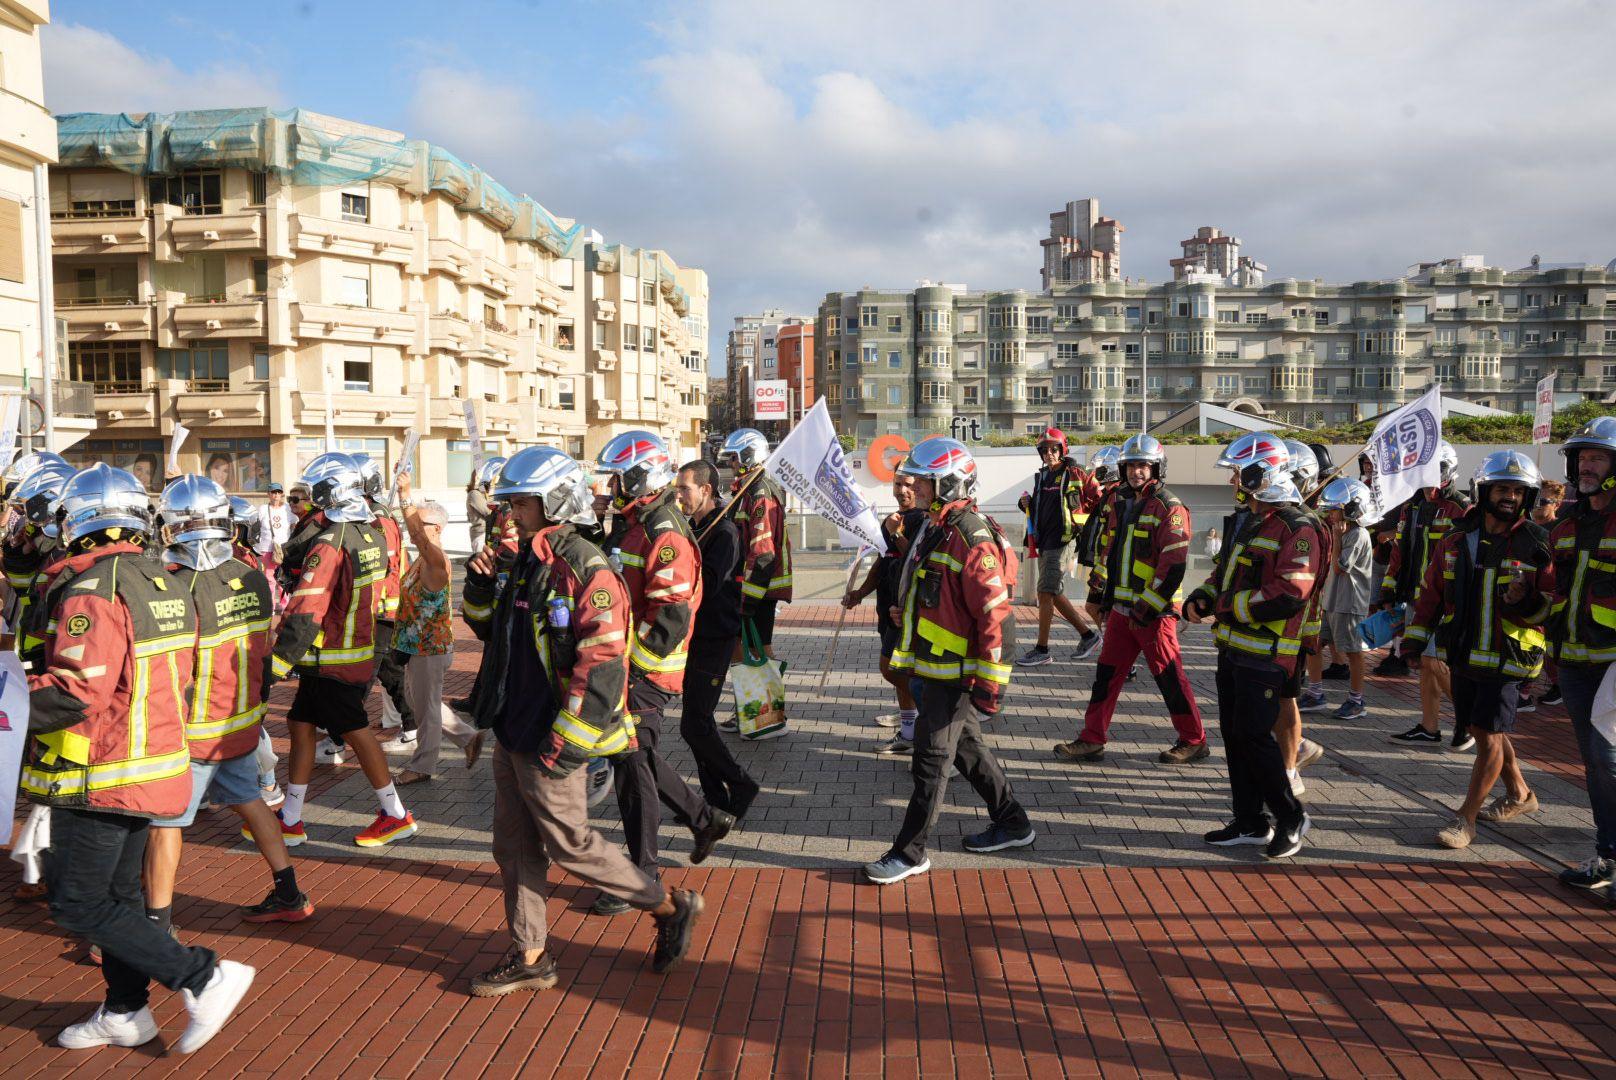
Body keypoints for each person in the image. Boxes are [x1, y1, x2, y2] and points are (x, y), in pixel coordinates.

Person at [23, 463, 254, 1052]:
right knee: (120, 898)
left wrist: (12, 698)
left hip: (100, 772)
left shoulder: (92, 589)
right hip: (151, 764)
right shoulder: (162, 578)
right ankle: (126, 1011)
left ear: (77, 521)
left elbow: (80, 689)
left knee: (78, 902)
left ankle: (202, 975)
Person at [461, 446, 704, 993]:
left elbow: (602, 663)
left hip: (550, 737)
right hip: (513, 729)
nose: (511, 515)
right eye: (509, 504)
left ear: (553, 501)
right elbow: (492, 634)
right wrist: (478, 586)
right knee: (514, 848)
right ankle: (531, 956)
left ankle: (669, 907)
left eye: (521, 504)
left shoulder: (584, 568)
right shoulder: (526, 560)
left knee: (571, 844)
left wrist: (568, 745)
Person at [144, 476, 313, 933]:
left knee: (164, 825)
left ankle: (154, 925)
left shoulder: (174, 585)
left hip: (194, 728)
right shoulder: (251, 576)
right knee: (251, 801)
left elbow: (175, 665)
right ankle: (289, 892)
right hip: (240, 721)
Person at [866, 437, 1033, 885]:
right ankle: (1013, 822)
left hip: (954, 674)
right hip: (933, 667)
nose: (914, 487)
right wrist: (905, 612)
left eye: (923, 480)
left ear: (950, 483)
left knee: (931, 761)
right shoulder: (937, 526)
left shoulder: (969, 535)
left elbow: (996, 616)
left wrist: (992, 687)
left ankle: (910, 853)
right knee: (969, 750)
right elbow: (936, 591)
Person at [593, 431, 732, 915]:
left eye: (618, 478)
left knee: (632, 768)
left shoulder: (664, 533)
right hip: (628, 668)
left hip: (645, 672)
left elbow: (671, 616)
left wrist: (634, 671)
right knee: (640, 759)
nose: (611, 487)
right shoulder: (636, 523)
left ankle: (644, 874)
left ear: (640, 477)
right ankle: (703, 819)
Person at [264, 452, 416, 848]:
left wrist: (275, 665)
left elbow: (306, 607)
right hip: (348, 650)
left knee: (357, 732)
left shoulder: (330, 544)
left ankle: (395, 813)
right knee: (300, 725)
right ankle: (291, 816)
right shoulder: (369, 533)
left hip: (331, 657)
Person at [1403, 452, 1552, 850]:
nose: (1510, 498)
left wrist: (1525, 600)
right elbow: (1431, 594)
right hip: (1463, 653)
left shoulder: (1537, 543)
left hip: (1509, 657)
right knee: (1482, 729)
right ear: (1483, 491)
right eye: (1502, 489)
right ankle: (1520, 793)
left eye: (1518, 491)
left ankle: (1465, 819)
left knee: (1487, 735)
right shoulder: (1455, 540)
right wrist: (1414, 641)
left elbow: (1551, 604)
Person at [1185, 433, 1320, 859]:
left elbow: (1290, 593)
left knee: (1254, 737)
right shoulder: (1249, 521)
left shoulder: (1299, 528)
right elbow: (1224, 573)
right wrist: (1202, 597)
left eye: (1239, 473)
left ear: (1264, 474)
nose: (1234, 482)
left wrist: (1224, 606)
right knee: (1235, 736)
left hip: (1267, 653)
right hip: (1233, 649)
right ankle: (1250, 822)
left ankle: (1291, 817)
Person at [1053, 433, 1207, 765]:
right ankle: (1091, 739)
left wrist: (1147, 606)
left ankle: (1194, 740)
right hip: (1122, 613)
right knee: (1105, 678)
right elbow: (1111, 552)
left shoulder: (1170, 507)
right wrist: (1102, 593)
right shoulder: (1123, 503)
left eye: (1144, 466)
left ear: (1157, 468)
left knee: (1170, 678)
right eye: (1131, 466)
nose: (1136, 472)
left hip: (1154, 614)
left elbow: (1173, 565)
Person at [1547, 417, 1616, 892]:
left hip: (1613, 661)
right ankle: (1606, 856)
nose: (1587, 466)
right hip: (1574, 662)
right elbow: (1557, 593)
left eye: (1598, 458)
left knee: (1608, 756)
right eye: (1582, 457)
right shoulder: (1566, 526)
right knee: (1593, 761)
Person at [673, 459, 760, 817]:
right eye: (677, 489)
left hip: (715, 635)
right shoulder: (694, 527)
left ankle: (741, 784)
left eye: (685, 489)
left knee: (694, 724)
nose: (679, 495)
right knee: (698, 722)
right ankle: (714, 799)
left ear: (706, 489)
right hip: (694, 636)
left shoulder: (724, 532)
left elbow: (707, 585)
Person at [1382, 440, 1473, 749]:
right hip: (1415, 597)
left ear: (1450, 471)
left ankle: (1470, 721)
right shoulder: (1412, 506)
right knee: (1423, 662)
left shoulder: (1461, 507)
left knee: (1434, 661)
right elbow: (1399, 550)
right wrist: (1389, 586)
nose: (1430, 478)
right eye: (1424, 470)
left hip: (1444, 601)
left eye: (1437, 470)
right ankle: (1429, 727)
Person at [391, 472, 481, 784]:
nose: (413, 530)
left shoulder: (436, 560)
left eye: (421, 524)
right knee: (419, 702)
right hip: (416, 647)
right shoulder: (421, 558)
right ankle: (468, 738)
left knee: (425, 710)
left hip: (430, 648)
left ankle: (422, 766)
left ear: (437, 528)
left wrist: (405, 495)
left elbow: (416, 532)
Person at [846, 471, 929, 755]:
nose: (902, 490)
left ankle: (930, 719)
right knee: (899, 671)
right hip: (887, 607)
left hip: (906, 610)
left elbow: (917, 561)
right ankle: (909, 732)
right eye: (898, 484)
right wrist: (859, 593)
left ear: (919, 487)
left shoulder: (924, 519)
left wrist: (896, 533)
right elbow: (882, 563)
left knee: (892, 669)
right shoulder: (890, 520)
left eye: (908, 485)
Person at [1014, 427, 1101, 666]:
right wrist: (1025, 503)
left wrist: (1086, 529)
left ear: (1063, 450)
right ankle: (1089, 636)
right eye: (1044, 450)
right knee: (1054, 591)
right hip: (1044, 542)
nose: (1049, 453)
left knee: (1045, 592)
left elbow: (1099, 499)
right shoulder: (1043, 476)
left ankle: (1042, 650)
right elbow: (1040, 507)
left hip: (1063, 540)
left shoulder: (1075, 472)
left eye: (1054, 449)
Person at [1274, 441, 1329, 797]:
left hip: (1292, 628)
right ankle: (1297, 748)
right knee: (1275, 699)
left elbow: (1299, 587)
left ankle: (1291, 769)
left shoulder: (1306, 524)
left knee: (1284, 697)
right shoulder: (1282, 518)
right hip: (1278, 629)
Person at [717, 428, 792, 657]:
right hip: (750, 587)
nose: (731, 463)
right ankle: (749, 682)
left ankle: (770, 682)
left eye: (734, 457)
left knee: (759, 649)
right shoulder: (747, 490)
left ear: (748, 456)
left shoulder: (760, 493)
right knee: (739, 647)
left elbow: (763, 552)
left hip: (760, 588)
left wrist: (748, 601)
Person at [1316, 478, 1377, 720]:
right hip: (1332, 601)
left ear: (1349, 510)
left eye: (1334, 510)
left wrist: (1337, 539)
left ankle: (1356, 700)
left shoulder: (1357, 534)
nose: (1330, 515)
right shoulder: (1343, 533)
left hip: (1349, 603)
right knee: (1314, 644)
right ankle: (1315, 693)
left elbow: (1340, 567)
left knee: (1353, 652)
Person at [1519, 479, 1566, 712]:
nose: (1538, 505)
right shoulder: (1525, 529)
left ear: (1557, 504)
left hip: (1551, 598)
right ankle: (1554, 687)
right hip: (1527, 596)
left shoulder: (1561, 532)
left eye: (1544, 501)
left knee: (1542, 648)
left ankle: (1525, 693)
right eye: (1535, 499)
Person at [256, 483, 293, 610]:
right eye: (273, 492)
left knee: (283, 578)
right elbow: (256, 525)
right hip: (266, 548)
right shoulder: (262, 509)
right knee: (269, 578)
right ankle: (270, 606)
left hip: (283, 548)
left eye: (278, 492)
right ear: (268, 494)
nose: (276, 495)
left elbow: (294, 523)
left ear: (282, 494)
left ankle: (284, 605)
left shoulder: (287, 508)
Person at [466, 458, 502, 554]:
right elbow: (488, 512)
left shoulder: (483, 493)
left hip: (488, 532)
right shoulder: (474, 494)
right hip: (481, 534)